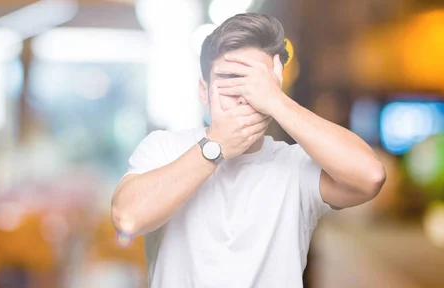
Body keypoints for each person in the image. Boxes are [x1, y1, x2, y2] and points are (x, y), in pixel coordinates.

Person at [111, 13, 386, 287]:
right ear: (204, 91)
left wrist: (277, 102)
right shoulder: (164, 148)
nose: (245, 96)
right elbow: (127, 218)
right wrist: (215, 148)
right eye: (230, 81)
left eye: (256, 84)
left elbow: (370, 176)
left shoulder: (295, 166)